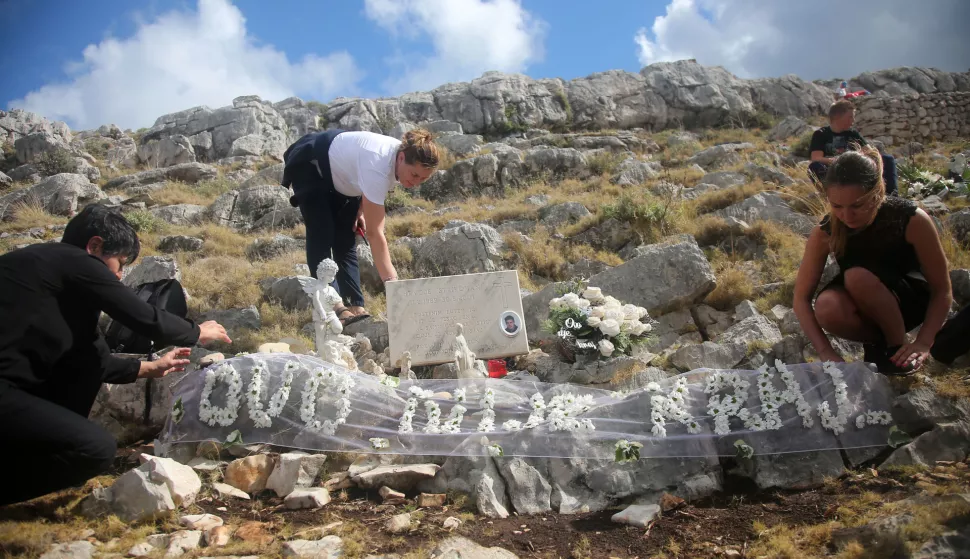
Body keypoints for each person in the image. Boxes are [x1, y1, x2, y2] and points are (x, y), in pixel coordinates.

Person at [0, 205, 232, 506]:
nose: (120, 276)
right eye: (120, 263)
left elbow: (92, 358)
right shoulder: (71, 260)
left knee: (77, 386)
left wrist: (150, 367)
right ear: (94, 246)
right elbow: (142, 316)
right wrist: (196, 332)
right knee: (94, 449)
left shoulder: (46, 281)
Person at [793, 147, 952, 375]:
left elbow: (942, 290)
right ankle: (881, 344)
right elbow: (800, 299)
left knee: (857, 277)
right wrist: (826, 352)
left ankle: (897, 346)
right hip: (865, 304)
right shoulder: (825, 232)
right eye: (837, 206)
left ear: (877, 192)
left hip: (909, 301)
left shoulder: (911, 220)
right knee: (827, 306)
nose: (847, 216)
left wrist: (924, 342)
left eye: (857, 205)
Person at [281, 129, 440, 326]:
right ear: (400, 158)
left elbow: (369, 185)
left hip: (343, 179)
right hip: (311, 164)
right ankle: (334, 305)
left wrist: (362, 211)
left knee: (346, 238)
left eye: (423, 179)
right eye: (414, 174)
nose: (415, 183)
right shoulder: (378, 163)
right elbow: (375, 234)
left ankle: (355, 305)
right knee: (322, 232)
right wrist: (393, 285)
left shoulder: (399, 161)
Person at [808, 100, 899, 196]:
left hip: (856, 167)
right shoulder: (821, 134)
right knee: (815, 167)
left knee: (887, 159)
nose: (853, 120)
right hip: (834, 169)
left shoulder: (853, 134)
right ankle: (833, 195)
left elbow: (869, 152)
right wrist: (836, 160)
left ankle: (891, 196)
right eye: (850, 117)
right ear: (837, 117)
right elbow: (816, 158)